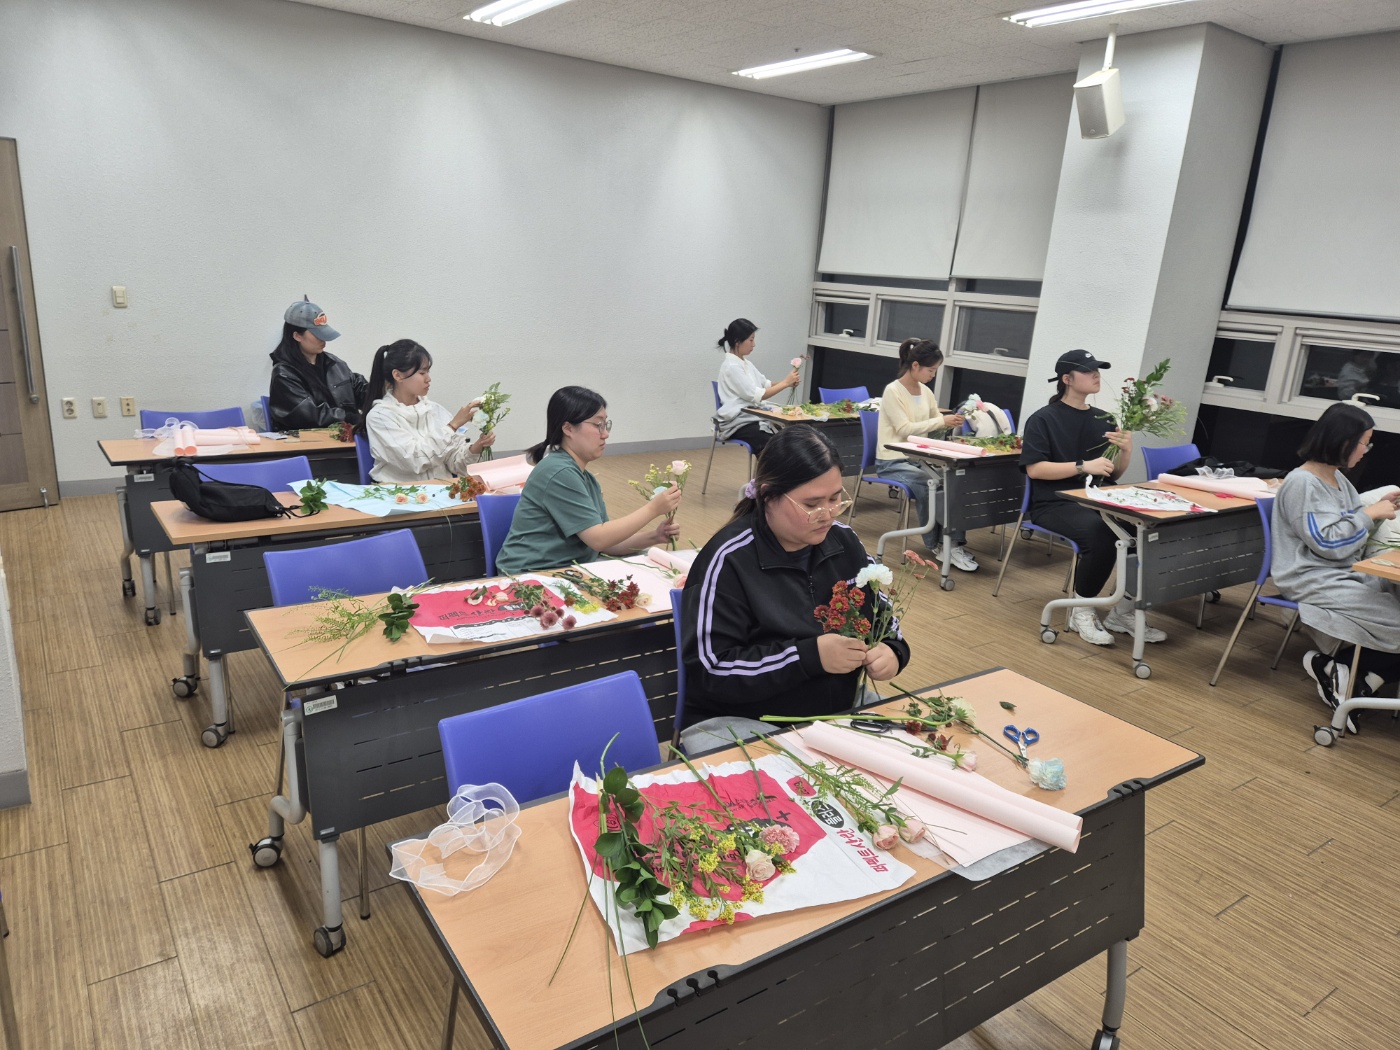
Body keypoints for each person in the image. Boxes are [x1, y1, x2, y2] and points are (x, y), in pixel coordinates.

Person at [680, 424, 911, 752]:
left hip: (832, 712)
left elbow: (883, 618)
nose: (827, 515)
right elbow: (710, 672)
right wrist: (807, 657)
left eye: (835, 499)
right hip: (744, 721)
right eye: (812, 504)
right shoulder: (729, 560)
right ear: (768, 495)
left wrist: (892, 650)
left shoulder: (844, 542)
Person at [1019, 349, 1168, 646]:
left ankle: (1122, 612)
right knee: (1100, 534)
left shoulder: (1104, 419)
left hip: (1099, 498)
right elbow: (1035, 470)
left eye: (1097, 370)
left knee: (1149, 532)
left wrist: (1126, 449)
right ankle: (1081, 610)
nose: (1096, 375)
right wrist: (1082, 466)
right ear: (1067, 379)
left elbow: (1114, 473)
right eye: (1088, 371)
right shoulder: (1043, 419)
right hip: (1056, 501)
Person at [1272, 402, 1400, 724]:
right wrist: (1369, 514)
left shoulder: (1339, 480)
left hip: (1342, 573)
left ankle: (1349, 675)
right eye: (1364, 443)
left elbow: (1347, 528)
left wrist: (1376, 509)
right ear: (1344, 442)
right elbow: (1327, 543)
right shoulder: (1302, 483)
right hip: (1313, 578)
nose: (1366, 451)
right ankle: (1343, 668)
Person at [494, 386, 681, 574]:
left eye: (605, 424)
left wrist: (655, 536)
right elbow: (599, 539)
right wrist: (653, 509)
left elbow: (606, 544)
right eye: (597, 425)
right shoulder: (558, 472)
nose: (605, 434)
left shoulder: (585, 477)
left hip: (566, 570)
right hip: (530, 575)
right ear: (568, 428)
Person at [872, 338, 975, 571]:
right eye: (931, 370)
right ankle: (936, 545)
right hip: (891, 461)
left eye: (935, 370)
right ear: (915, 365)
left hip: (917, 459)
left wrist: (952, 423)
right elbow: (904, 430)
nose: (933, 375)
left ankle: (952, 544)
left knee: (952, 483)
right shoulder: (893, 391)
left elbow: (933, 426)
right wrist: (942, 421)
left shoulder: (926, 391)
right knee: (929, 485)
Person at [359, 339, 495, 484]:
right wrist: (452, 426)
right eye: (422, 372)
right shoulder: (380, 416)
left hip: (441, 491)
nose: (428, 379)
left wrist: (476, 447)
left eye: (428, 371)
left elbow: (455, 464)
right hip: (401, 493)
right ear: (398, 375)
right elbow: (414, 460)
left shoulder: (435, 410)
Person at [267, 296, 367, 430]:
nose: (323, 339)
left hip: (341, 436)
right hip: (305, 441)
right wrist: (348, 417)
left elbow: (360, 388)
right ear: (297, 336)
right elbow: (308, 416)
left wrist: (382, 391)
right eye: (317, 334)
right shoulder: (284, 374)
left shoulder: (335, 364)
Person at [713, 318, 800, 458]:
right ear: (737, 341)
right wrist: (785, 383)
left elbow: (766, 384)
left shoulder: (745, 363)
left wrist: (788, 382)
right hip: (737, 421)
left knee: (786, 438)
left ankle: (774, 471)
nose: (754, 344)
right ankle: (768, 471)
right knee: (772, 445)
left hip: (750, 417)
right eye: (751, 340)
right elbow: (757, 395)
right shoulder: (732, 367)